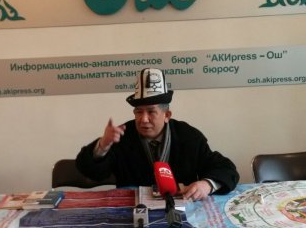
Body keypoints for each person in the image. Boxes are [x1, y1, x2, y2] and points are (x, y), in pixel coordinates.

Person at [76, 68, 239, 201]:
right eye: (138, 112)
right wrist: (103, 145)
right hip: (133, 210)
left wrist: (207, 184)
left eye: (151, 112)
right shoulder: (123, 136)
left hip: (182, 209)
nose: (143, 119)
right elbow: (90, 172)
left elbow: (226, 168)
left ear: (166, 115)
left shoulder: (189, 136)